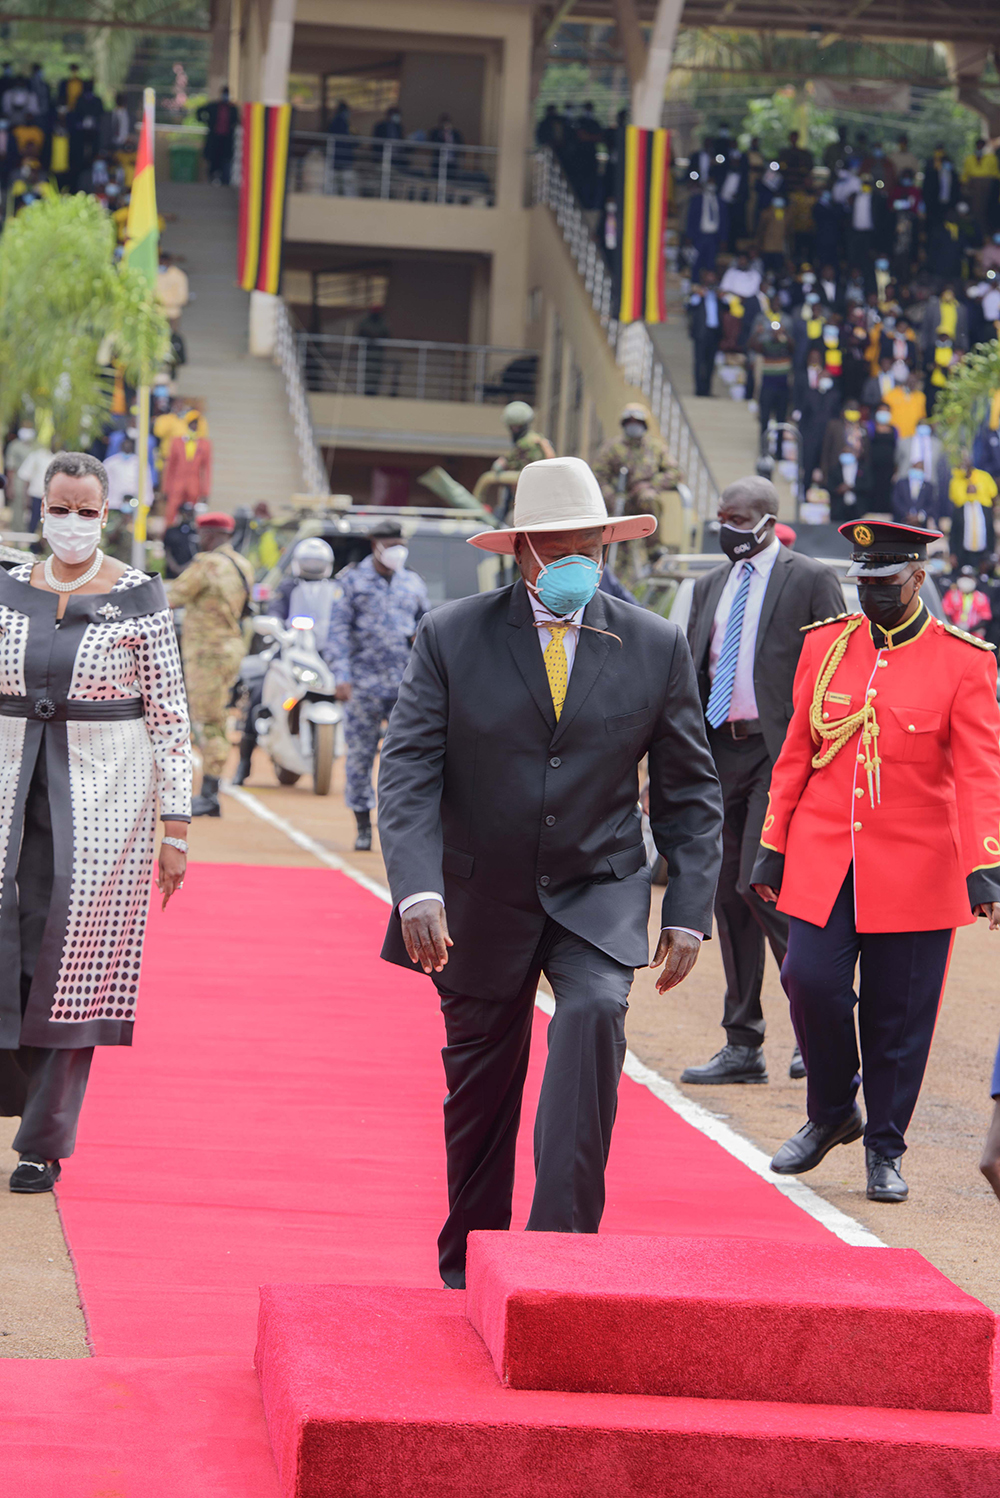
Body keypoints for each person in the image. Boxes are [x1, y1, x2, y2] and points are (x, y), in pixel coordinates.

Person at [376, 457, 724, 1287]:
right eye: (562, 545)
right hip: (474, 895)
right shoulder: (451, 634)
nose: (579, 561)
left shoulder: (653, 642)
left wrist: (688, 910)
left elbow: (690, 790)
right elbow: (410, 773)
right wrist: (418, 889)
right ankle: (469, 1264)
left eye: (591, 545)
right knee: (482, 1088)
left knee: (595, 1012)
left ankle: (556, 1258)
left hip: (597, 886)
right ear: (523, 549)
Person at [752, 520, 1000, 1204]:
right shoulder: (827, 648)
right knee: (810, 980)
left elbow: (981, 774)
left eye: (884, 584)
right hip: (828, 854)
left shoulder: (964, 660)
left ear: (918, 578)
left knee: (897, 1019)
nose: (871, 595)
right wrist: (772, 844)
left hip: (918, 866)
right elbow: (796, 751)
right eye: (862, 583)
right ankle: (833, 1112)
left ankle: (885, 1149)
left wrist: (986, 865)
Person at [0, 452, 190, 1194]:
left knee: (70, 963)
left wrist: (175, 829)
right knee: (11, 950)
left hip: (104, 809)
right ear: (39, 508)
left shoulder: (140, 595)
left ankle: (43, 1139)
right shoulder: (9, 587)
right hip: (10, 793)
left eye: (87, 511)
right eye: (61, 507)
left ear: (105, 516)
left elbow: (171, 719)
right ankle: (15, 1096)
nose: (72, 523)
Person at [681, 477, 843, 1086]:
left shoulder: (811, 579)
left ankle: (816, 1025)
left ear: (770, 520)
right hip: (717, 753)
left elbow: (840, 672)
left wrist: (826, 761)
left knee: (760, 884)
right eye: (720, 515)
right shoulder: (708, 587)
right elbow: (692, 680)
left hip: (782, 756)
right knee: (724, 895)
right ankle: (743, 1042)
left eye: (738, 517)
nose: (727, 526)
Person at [324, 520, 429, 851]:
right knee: (360, 756)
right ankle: (362, 824)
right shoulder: (353, 581)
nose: (397, 549)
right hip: (363, 685)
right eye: (390, 543)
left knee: (408, 758)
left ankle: (401, 825)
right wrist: (341, 676)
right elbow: (338, 632)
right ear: (376, 546)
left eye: (400, 542)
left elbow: (427, 631)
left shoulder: (413, 582)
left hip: (405, 686)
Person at [166, 512, 253, 818]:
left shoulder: (207, 565)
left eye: (202, 535)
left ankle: (209, 794)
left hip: (207, 653)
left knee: (208, 720)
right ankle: (210, 790)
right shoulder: (242, 565)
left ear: (210, 535)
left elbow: (173, 595)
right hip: (230, 649)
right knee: (216, 716)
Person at [591, 403, 683, 561]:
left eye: (638, 423)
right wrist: (612, 497)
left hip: (643, 502)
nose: (634, 426)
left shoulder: (655, 448)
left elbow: (674, 472)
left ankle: (654, 550)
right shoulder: (612, 448)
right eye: (630, 422)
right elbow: (598, 476)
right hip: (619, 502)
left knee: (649, 498)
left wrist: (651, 485)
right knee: (617, 551)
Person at [949, 462, 999, 573]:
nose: (971, 488)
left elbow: (991, 532)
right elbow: (954, 533)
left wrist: (991, 555)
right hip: (963, 554)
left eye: (973, 487)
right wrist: (952, 554)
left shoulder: (986, 510)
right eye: (969, 487)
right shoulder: (959, 510)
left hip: (983, 555)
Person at [492, 401, 555, 477]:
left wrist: (502, 464)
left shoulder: (525, 444)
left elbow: (513, 465)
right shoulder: (537, 438)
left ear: (514, 427)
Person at [687, 268, 722, 396]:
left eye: (713, 278)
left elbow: (728, 306)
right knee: (699, 362)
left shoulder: (717, 295)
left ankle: (707, 390)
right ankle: (699, 390)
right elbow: (690, 306)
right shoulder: (697, 294)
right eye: (709, 278)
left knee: (710, 363)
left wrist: (720, 296)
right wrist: (699, 295)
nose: (711, 281)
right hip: (701, 333)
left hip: (714, 333)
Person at [197, 86, 239, 185]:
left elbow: (236, 120)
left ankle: (225, 180)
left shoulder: (232, 108)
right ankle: (211, 178)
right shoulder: (214, 106)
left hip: (227, 139)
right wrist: (204, 121)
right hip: (214, 137)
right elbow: (200, 110)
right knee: (213, 159)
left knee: (225, 159)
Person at [942, 566, 993, 636]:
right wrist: (955, 627)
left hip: (974, 635)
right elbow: (946, 614)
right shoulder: (951, 595)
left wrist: (969, 629)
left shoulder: (981, 597)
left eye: (969, 577)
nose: (965, 580)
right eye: (963, 577)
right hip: (953, 633)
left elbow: (985, 618)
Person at [156, 252, 189, 328]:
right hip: (154, 314)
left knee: (170, 337)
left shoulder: (178, 276)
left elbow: (182, 298)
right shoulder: (153, 274)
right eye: (160, 262)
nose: (162, 264)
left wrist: (162, 301)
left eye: (164, 262)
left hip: (172, 315)